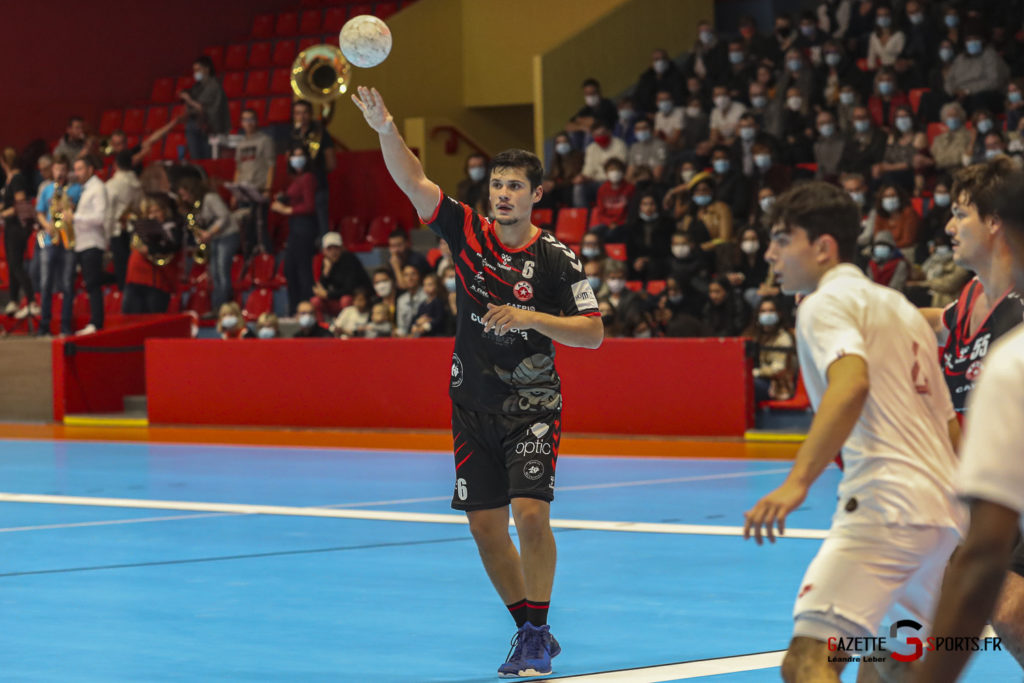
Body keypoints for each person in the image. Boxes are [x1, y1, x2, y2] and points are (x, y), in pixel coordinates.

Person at [353, 85, 603, 678]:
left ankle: (537, 632)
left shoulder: (557, 260)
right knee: (486, 528)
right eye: (497, 186)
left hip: (533, 405)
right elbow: (413, 182)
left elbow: (591, 333)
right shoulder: (467, 232)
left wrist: (531, 317)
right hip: (471, 404)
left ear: (537, 196)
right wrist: (386, 126)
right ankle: (530, 631)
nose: (504, 195)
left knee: (530, 516)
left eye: (516, 187)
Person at [744, 181, 963, 683]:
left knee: (807, 663)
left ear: (823, 248)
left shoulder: (822, 303)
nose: (771, 254)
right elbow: (948, 426)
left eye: (782, 239)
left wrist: (797, 481)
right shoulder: (902, 309)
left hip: (885, 505)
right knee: (892, 660)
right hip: (942, 517)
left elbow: (851, 383)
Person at [915, 168, 1024, 682]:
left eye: (961, 214)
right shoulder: (966, 305)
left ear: (996, 223)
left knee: (1005, 608)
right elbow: (928, 319)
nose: (949, 227)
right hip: (995, 489)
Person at [34, 155, 82, 335]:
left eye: (63, 169)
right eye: (57, 169)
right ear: (52, 170)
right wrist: (46, 226)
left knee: (68, 284)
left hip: (68, 240)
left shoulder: (76, 189)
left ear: (67, 170)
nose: (60, 173)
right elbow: (39, 212)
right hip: (49, 239)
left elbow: (78, 210)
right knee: (46, 284)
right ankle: (44, 326)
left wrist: (70, 206)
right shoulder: (47, 189)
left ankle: (65, 326)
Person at [177, 176, 239, 312]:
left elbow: (224, 217)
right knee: (215, 273)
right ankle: (217, 307)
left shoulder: (210, 198)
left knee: (222, 271)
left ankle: (226, 308)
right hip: (215, 239)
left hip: (227, 235)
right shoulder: (194, 206)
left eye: (184, 194)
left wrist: (209, 233)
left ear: (192, 190)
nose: (184, 198)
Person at [62, 156, 108, 336]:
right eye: (76, 170)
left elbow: (100, 218)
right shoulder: (86, 189)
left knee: (93, 284)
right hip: (82, 243)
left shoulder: (97, 188)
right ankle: (95, 322)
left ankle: (96, 323)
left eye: (81, 169)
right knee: (90, 283)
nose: (77, 173)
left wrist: (75, 217)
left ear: (90, 169)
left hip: (92, 242)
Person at [271, 143, 318, 314]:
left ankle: (305, 309)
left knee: (302, 270)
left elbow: (309, 206)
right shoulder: (296, 178)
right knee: (290, 269)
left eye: (300, 154)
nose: (297, 159)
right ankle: (295, 309)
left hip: (304, 227)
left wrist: (286, 209)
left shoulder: (307, 177)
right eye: (294, 155)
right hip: (295, 228)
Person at [122, 192, 182, 314]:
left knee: (154, 319)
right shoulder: (142, 226)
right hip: (135, 278)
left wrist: (149, 250)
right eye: (150, 212)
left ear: (164, 211)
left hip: (158, 280)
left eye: (156, 211)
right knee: (129, 318)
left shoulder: (173, 227)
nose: (153, 215)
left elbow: (174, 247)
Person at [291, 99, 337, 238]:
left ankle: (324, 255)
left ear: (311, 114)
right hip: (300, 190)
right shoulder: (293, 135)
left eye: (305, 113)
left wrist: (317, 171)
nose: (302, 116)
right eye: (298, 113)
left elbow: (331, 163)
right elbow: (288, 161)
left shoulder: (321, 133)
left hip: (318, 186)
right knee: (303, 228)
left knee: (322, 226)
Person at [233, 108, 275, 255]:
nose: (248, 123)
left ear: (256, 122)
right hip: (243, 191)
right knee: (246, 230)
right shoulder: (241, 144)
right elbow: (238, 168)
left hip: (258, 189)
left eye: (251, 119)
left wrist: (268, 189)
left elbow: (271, 166)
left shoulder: (265, 141)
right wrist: (234, 193)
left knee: (260, 227)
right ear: (241, 123)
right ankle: (249, 261)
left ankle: (268, 258)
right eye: (245, 120)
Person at [1, 148, 33, 317]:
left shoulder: (17, 178)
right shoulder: (9, 180)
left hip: (17, 228)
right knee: (13, 266)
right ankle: (13, 300)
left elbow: (20, 203)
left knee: (16, 265)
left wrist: (2, 213)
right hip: (9, 227)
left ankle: (32, 301)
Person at [105, 150, 143, 292]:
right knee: (132, 265)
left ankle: (125, 296)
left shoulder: (113, 184)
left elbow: (108, 212)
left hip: (117, 229)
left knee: (121, 267)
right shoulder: (137, 183)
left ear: (116, 165)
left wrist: (106, 234)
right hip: (133, 228)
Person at [179, 56, 230, 160]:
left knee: (207, 159)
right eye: (194, 70)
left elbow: (202, 108)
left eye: (198, 69)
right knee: (196, 160)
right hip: (195, 126)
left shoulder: (213, 85)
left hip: (209, 128)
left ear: (207, 69)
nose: (195, 73)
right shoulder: (197, 87)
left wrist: (189, 100)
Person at [745, 297, 795, 403]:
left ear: (779, 314)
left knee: (747, 385)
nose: (767, 314)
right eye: (763, 311)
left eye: (771, 311)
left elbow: (778, 368)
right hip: (754, 378)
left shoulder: (783, 338)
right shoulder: (752, 334)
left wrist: (757, 372)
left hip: (775, 383)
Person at [311, 231, 371, 318]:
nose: (333, 251)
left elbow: (349, 289)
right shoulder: (327, 262)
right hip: (336, 299)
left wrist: (328, 294)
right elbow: (321, 288)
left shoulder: (350, 260)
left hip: (356, 300)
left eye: (336, 248)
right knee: (315, 301)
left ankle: (346, 326)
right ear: (324, 251)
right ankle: (321, 328)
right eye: (329, 248)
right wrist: (326, 272)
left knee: (345, 300)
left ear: (342, 248)